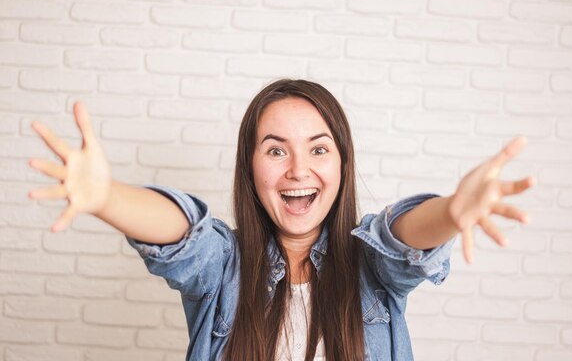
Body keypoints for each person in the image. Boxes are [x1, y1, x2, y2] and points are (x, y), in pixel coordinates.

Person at [28, 79, 534, 361]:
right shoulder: (224, 267)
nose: (298, 170)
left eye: (318, 148)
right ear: (250, 168)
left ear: (342, 165)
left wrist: (450, 211)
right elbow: (183, 235)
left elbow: (400, 239)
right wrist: (106, 197)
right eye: (276, 150)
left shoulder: (369, 269)